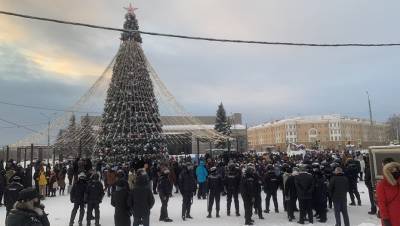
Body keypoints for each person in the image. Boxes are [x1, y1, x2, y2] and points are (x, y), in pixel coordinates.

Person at [376, 161, 400, 226]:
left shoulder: (398, 183)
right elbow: (381, 203)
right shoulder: (382, 185)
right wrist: (385, 219)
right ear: (389, 172)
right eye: (394, 171)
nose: (397, 173)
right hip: (390, 218)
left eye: (398, 171)